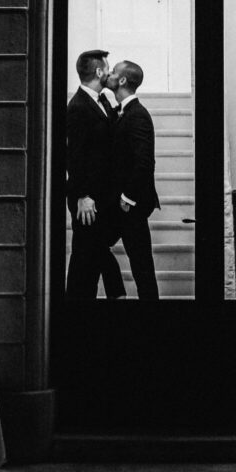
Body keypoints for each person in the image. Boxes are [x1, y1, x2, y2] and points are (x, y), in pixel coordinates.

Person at [65, 49, 126, 300]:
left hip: (101, 196)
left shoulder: (102, 101)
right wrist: (83, 195)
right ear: (99, 72)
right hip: (88, 198)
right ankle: (117, 294)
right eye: (108, 68)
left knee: (86, 254)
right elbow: (74, 155)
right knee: (91, 250)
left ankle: (79, 302)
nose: (110, 72)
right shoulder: (78, 106)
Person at [107, 60, 160, 300]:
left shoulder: (138, 114)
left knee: (141, 266)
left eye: (113, 72)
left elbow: (145, 163)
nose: (108, 74)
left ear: (122, 80)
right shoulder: (121, 112)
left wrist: (127, 198)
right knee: (95, 246)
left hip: (132, 204)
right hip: (123, 203)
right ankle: (118, 294)